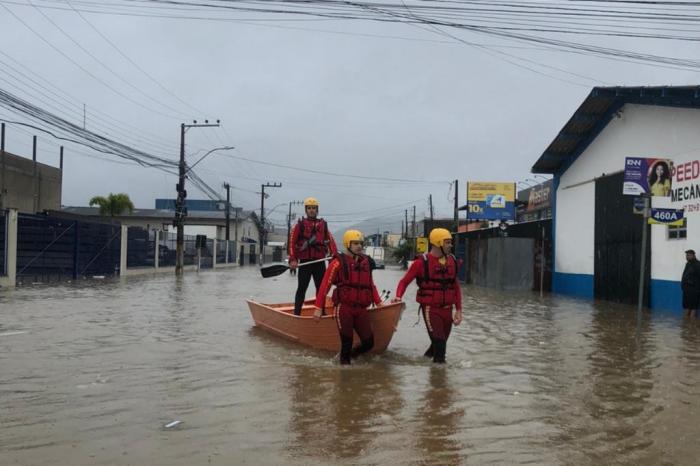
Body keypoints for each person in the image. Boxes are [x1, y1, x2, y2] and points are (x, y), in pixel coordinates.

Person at [393, 228, 462, 364]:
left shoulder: (452, 261)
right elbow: (404, 282)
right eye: (447, 242)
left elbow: (456, 287)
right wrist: (398, 297)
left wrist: (459, 310)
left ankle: (423, 363)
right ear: (438, 243)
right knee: (440, 345)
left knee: (437, 346)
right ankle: (439, 382)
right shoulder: (420, 263)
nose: (451, 245)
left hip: (447, 310)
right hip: (431, 309)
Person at [314, 230, 382, 365]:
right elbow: (325, 285)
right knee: (347, 343)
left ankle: (353, 357)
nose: (359, 246)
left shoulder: (366, 262)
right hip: (344, 308)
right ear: (347, 244)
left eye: (361, 243)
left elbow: (370, 285)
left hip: (361, 309)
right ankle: (345, 375)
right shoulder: (337, 263)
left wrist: (379, 303)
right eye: (355, 243)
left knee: (369, 343)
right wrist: (318, 307)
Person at [288, 197, 337, 316]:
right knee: (302, 288)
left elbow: (331, 242)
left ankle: (322, 312)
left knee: (321, 289)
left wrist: (334, 256)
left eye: (314, 208)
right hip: (305, 261)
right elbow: (292, 243)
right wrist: (293, 259)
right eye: (309, 208)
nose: (311, 210)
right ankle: (297, 314)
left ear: (317, 210)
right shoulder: (299, 225)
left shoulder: (323, 225)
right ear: (306, 210)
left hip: (319, 261)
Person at [682, 249, 700, 318]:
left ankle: (691, 325)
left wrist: (697, 289)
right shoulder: (688, 264)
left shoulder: (698, 264)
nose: (687, 257)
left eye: (689, 255)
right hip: (686, 290)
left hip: (694, 290)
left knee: (693, 308)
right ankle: (686, 325)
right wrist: (683, 286)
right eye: (686, 255)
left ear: (693, 255)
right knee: (686, 306)